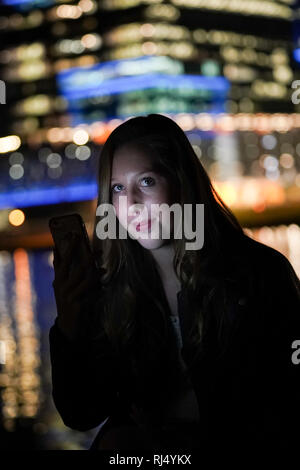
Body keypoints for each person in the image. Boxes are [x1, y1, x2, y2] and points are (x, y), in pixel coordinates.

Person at [49, 114, 300, 453]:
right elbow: (81, 412)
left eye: (147, 182)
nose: (132, 203)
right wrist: (69, 323)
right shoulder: (111, 288)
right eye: (118, 188)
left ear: (182, 181)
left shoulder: (258, 274)